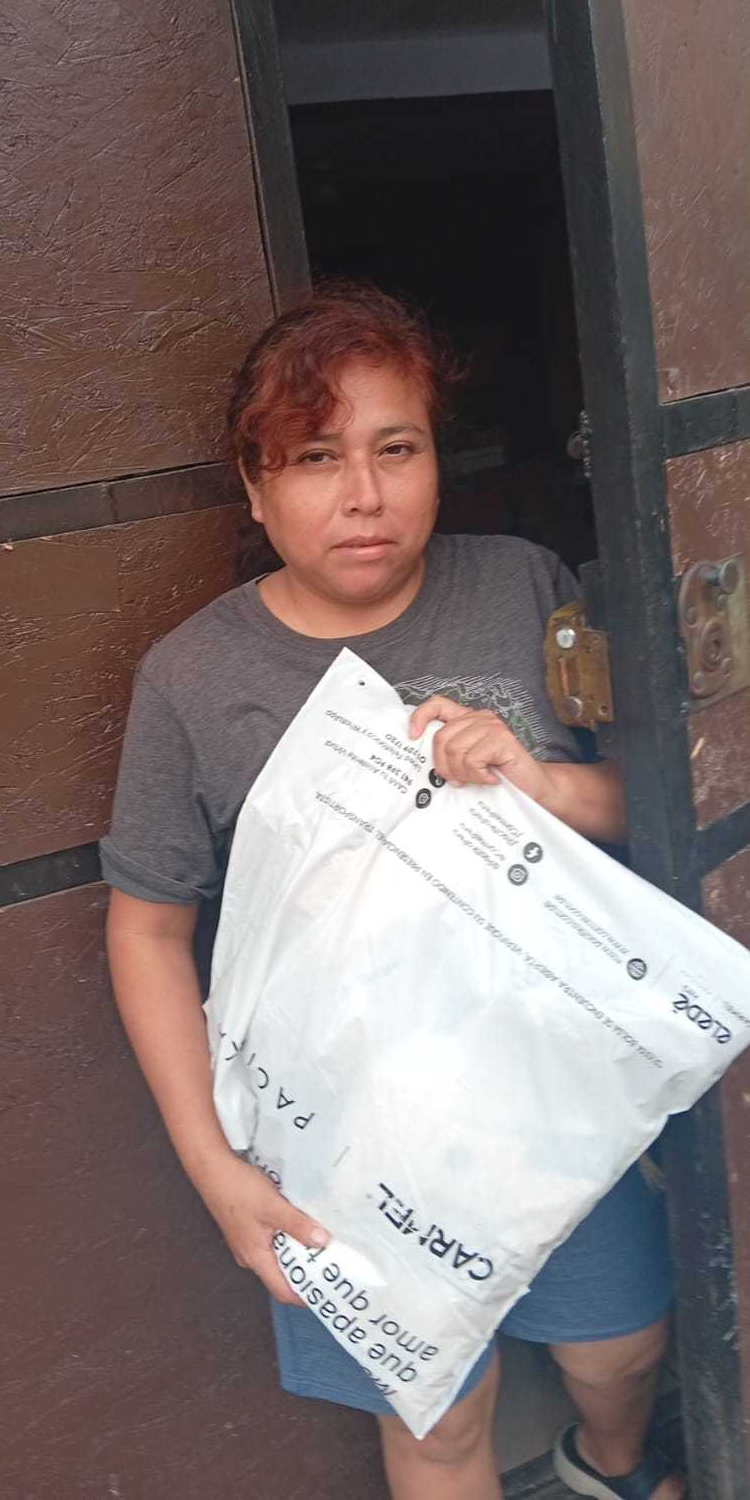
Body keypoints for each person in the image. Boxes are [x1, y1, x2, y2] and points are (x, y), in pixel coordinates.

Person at [101, 284, 682, 1500]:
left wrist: (541, 785)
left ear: (434, 459)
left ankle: (607, 1468)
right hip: (345, 1137)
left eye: (394, 448)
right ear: (254, 488)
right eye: (315, 458)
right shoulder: (195, 678)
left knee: (622, 1347)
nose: (362, 495)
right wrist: (215, 1169)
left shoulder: (521, 587)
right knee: (438, 1422)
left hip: (551, 1097)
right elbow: (147, 928)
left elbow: (659, 804)